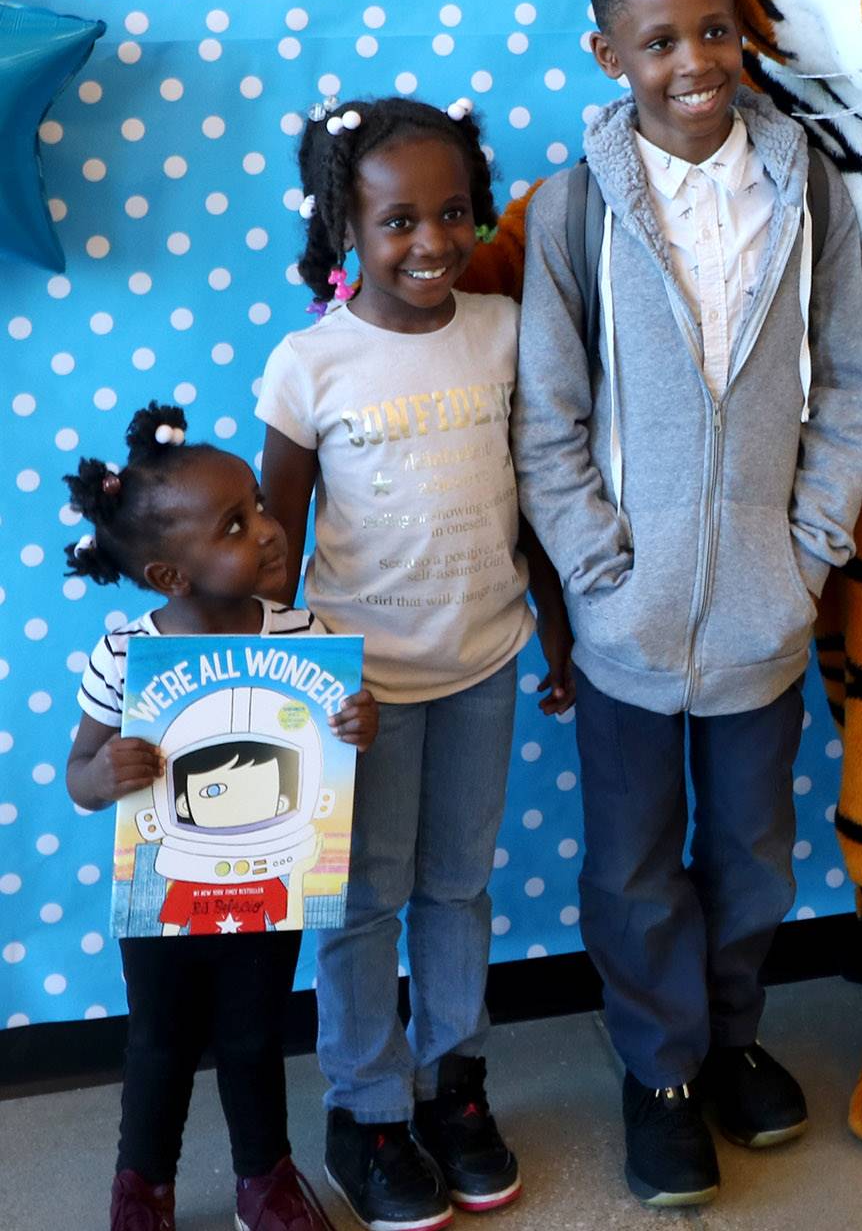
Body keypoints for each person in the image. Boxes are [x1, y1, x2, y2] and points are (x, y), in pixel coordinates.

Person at [512, 0, 862, 1207]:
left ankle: (731, 1041)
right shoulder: (575, 208)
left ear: (743, 31)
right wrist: (597, 572)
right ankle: (658, 1070)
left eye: (714, 29)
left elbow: (849, 382)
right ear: (609, 54)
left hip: (764, 611)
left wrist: (809, 552)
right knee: (631, 860)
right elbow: (548, 418)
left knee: (753, 848)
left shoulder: (805, 187)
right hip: (629, 616)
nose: (694, 60)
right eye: (660, 40)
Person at [258, 95, 571, 1231]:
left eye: (452, 214)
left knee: (457, 889)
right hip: (359, 691)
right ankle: (367, 1109)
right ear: (346, 225)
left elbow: (531, 499)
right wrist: (274, 690)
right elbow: (274, 541)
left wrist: (562, 628)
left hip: (485, 659)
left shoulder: (501, 330)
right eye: (397, 221)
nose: (430, 242)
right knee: (361, 902)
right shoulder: (310, 365)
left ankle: (455, 1088)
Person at [65, 400, 378, 1231]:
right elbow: (77, 778)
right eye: (237, 525)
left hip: (267, 885)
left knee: (253, 1035)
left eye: (262, 507)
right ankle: (144, 1186)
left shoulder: (304, 632)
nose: (271, 531)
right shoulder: (125, 657)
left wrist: (359, 723)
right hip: (165, 893)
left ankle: (264, 1178)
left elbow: (332, 745)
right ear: (170, 576)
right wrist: (104, 771)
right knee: (160, 1044)